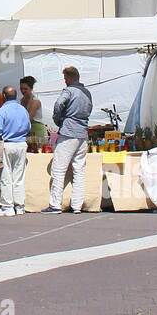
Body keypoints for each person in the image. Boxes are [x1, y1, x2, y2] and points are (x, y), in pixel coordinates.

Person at [43, 67, 93, 214]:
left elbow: (59, 104)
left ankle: (55, 204)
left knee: (58, 169)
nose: (65, 81)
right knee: (79, 170)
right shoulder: (87, 93)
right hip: (82, 132)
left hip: (69, 131)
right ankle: (77, 205)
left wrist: (58, 119)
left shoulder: (69, 91)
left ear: (70, 78)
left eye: (65, 78)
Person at [0, 86, 31, 216]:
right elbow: (28, 126)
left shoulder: (2, 111)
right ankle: (19, 206)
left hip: (7, 144)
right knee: (19, 176)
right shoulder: (23, 110)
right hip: (21, 144)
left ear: (3, 96)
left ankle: (7, 206)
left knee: (5, 176)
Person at [19, 75, 43, 147]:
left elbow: (29, 118)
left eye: (25, 89)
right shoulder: (22, 100)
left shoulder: (35, 101)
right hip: (27, 130)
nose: (23, 91)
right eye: (21, 89)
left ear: (31, 88)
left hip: (36, 130)